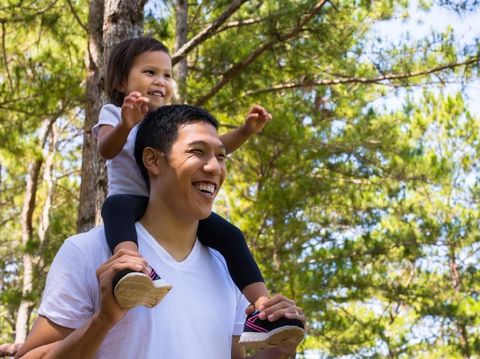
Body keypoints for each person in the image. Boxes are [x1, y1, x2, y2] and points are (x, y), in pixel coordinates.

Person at [16, 104, 306, 358]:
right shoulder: (88, 251)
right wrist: (103, 320)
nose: (214, 167)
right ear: (153, 160)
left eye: (221, 156)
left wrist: (279, 353)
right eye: (197, 152)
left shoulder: (227, 268)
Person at [91, 36, 302, 346]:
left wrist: (245, 131)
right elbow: (106, 150)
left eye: (166, 74)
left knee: (230, 236)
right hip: (131, 201)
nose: (160, 81)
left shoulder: (174, 123)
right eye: (150, 73)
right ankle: (130, 267)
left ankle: (262, 310)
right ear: (122, 81)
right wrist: (125, 123)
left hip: (170, 205)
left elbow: (213, 153)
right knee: (115, 208)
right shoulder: (114, 112)